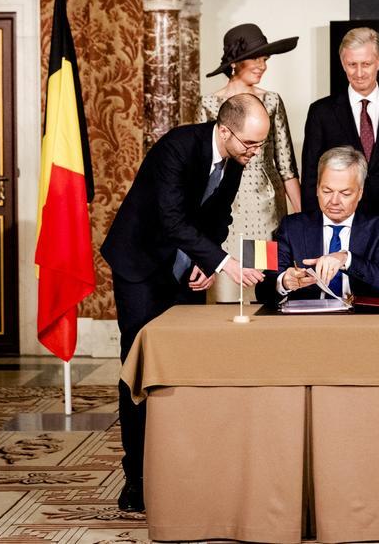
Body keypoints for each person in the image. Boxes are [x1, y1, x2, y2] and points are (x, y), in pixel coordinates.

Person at [101, 94, 271, 512]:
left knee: (185, 362)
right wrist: (225, 263)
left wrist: (205, 260)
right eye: (250, 144)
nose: (254, 153)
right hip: (140, 266)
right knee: (140, 365)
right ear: (226, 130)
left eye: (260, 145)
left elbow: (218, 217)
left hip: (183, 266)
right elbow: (171, 220)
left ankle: (182, 468)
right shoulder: (177, 148)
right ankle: (136, 478)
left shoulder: (236, 160)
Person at [301, 27, 379, 264]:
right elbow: (310, 178)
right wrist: (311, 233)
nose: (359, 73)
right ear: (342, 63)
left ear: (378, 61)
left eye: (366, 64)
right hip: (338, 229)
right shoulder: (322, 112)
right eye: (352, 65)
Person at [200, 23, 301, 302]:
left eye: (265, 59)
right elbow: (201, 167)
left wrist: (304, 217)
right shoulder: (209, 104)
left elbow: (286, 165)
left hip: (264, 209)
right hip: (223, 210)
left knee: (260, 290)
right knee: (226, 293)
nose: (262, 66)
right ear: (235, 62)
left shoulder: (271, 102)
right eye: (256, 58)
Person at [276, 146, 379, 300]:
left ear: (360, 193)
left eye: (345, 193)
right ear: (317, 189)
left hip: (360, 320)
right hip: (309, 320)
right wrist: (284, 281)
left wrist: (346, 259)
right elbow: (263, 289)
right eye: (327, 191)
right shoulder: (292, 227)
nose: (334, 201)